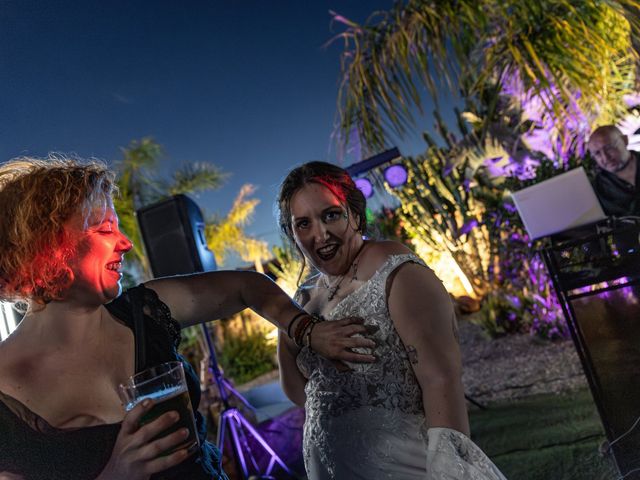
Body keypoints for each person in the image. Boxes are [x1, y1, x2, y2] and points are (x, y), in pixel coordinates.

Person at [0, 156, 376, 480]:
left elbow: (248, 286)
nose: (125, 243)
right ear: (45, 248)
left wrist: (307, 330)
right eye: (104, 229)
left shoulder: (144, 311)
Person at [276, 161, 507, 480]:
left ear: (354, 214)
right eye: (303, 224)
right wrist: (289, 335)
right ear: (293, 234)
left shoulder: (393, 269)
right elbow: (300, 393)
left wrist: (450, 471)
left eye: (330, 214)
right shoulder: (303, 299)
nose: (321, 233)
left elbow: (441, 379)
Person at [588, 125, 640, 217]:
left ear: (625, 140)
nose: (605, 157)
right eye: (597, 153)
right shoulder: (598, 190)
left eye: (609, 148)